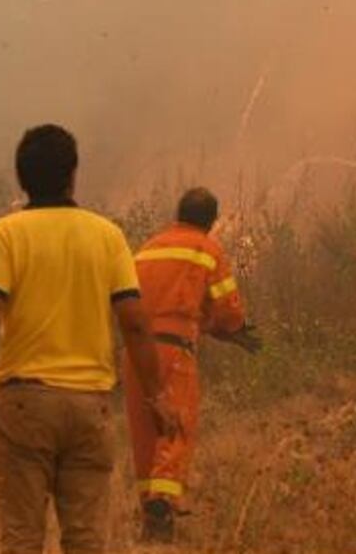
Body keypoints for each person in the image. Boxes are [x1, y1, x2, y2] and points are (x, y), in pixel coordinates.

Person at [0, 124, 180, 554]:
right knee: (86, 541)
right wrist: (157, 396)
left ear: (21, 178)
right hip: (90, 408)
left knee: (22, 540)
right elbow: (135, 324)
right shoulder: (107, 236)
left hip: (25, 406)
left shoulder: (4, 234)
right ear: (72, 175)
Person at [124, 187, 255, 542]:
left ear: (178, 212)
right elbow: (227, 310)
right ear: (211, 221)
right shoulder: (207, 249)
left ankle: (148, 512)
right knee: (176, 424)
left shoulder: (148, 247)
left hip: (134, 352)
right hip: (173, 350)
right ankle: (162, 504)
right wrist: (236, 331)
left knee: (144, 431)